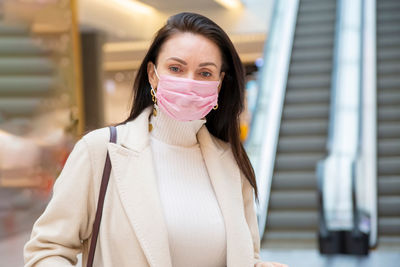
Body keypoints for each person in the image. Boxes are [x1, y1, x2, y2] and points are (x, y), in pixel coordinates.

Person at [23, 12, 288, 267]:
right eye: (176, 68)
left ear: (219, 84)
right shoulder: (99, 152)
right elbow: (47, 250)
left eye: (205, 73)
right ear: (153, 74)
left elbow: (245, 256)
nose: (189, 81)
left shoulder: (231, 163)